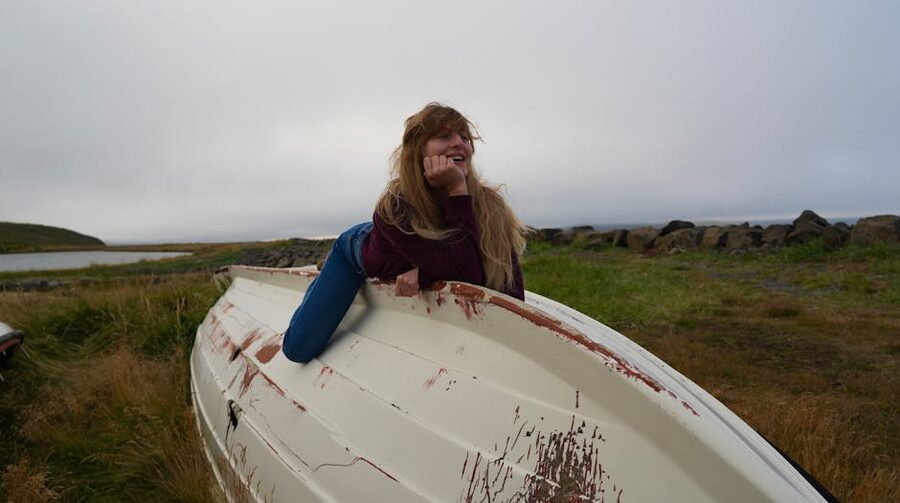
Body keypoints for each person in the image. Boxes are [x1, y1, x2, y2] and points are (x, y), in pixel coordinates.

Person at [282, 103, 526, 363]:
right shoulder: (395, 207)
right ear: (418, 150)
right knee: (299, 348)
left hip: (399, 245)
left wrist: (426, 272)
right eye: (444, 136)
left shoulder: (490, 207)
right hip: (356, 250)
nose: (459, 143)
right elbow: (466, 271)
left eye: (464, 137)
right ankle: (326, 271)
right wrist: (456, 191)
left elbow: (507, 285)